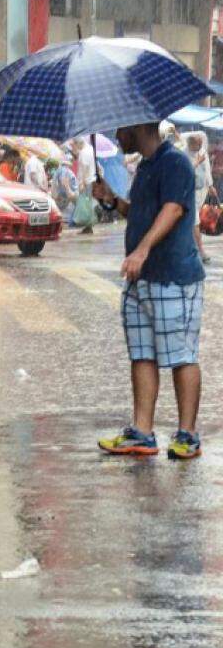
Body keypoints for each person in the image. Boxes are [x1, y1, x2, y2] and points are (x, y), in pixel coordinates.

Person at [92, 122, 205, 460]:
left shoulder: (175, 163)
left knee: (181, 355)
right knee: (142, 353)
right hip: (141, 278)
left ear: (138, 124)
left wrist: (141, 251)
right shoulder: (145, 166)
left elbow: (173, 210)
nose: (115, 137)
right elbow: (141, 213)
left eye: (119, 130)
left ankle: (188, 435)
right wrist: (112, 201)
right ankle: (142, 432)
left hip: (173, 276)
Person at [187, 132, 212, 264]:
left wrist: (211, 185)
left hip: (200, 191)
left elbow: (207, 170)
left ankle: (195, 250)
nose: (201, 146)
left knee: (193, 223)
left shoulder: (202, 152)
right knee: (195, 222)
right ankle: (200, 251)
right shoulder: (184, 154)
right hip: (188, 193)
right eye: (198, 144)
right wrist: (196, 162)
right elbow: (184, 171)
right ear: (191, 144)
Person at [72, 138, 98, 234]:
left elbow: (85, 168)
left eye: (74, 145)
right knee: (88, 204)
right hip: (92, 179)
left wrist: (82, 183)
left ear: (78, 144)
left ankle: (88, 226)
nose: (75, 148)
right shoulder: (91, 149)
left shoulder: (84, 152)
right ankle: (88, 226)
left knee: (86, 205)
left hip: (87, 181)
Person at [49, 157, 79, 225]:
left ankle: (69, 222)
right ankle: (71, 222)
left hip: (64, 193)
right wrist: (68, 191)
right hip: (69, 192)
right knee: (73, 207)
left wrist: (55, 194)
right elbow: (63, 181)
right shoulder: (65, 170)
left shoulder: (58, 170)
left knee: (63, 209)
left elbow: (55, 183)